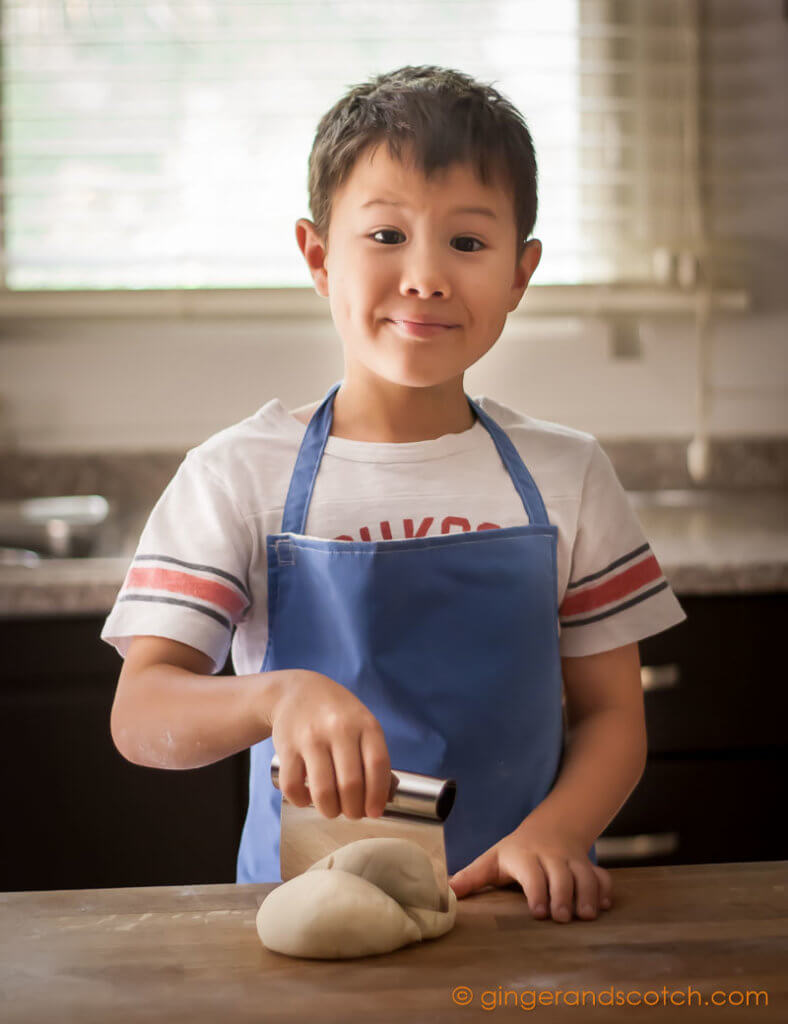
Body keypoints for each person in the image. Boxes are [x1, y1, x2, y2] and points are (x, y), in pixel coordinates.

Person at [102, 65, 686, 925]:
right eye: (385, 236)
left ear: (520, 275)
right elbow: (142, 713)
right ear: (316, 256)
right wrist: (276, 695)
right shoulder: (237, 475)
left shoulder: (571, 475)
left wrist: (557, 835)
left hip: (519, 919)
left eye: (468, 243)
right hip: (303, 915)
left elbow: (611, 717)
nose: (425, 277)